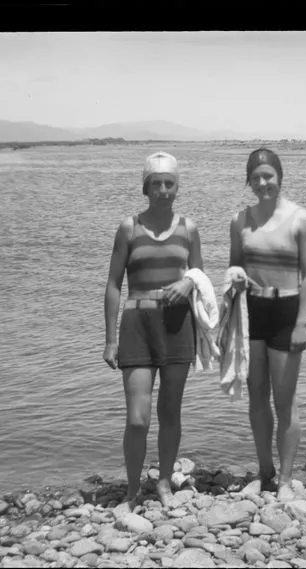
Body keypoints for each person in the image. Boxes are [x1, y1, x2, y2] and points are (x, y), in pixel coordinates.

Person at [103, 151, 204, 508]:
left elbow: (200, 277)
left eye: (169, 184)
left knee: (170, 411)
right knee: (137, 418)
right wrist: (110, 339)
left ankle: (163, 482)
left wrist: (189, 285)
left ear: (177, 187)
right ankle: (132, 488)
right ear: (145, 187)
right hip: (137, 325)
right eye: (156, 184)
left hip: (178, 326)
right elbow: (114, 283)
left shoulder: (188, 228)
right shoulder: (128, 228)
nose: (163, 190)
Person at [228, 147, 306, 501]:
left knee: (285, 401)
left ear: (280, 177)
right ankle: (264, 471)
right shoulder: (240, 221)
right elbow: (236, 265)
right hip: (252, 313)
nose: (263, 182)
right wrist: (233, 281)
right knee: (256, 398)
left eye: (268, 176)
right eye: (256, 177)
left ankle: (284, 478)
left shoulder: (301, 220)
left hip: (286, 311)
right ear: (248, 181)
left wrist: (302, 324)